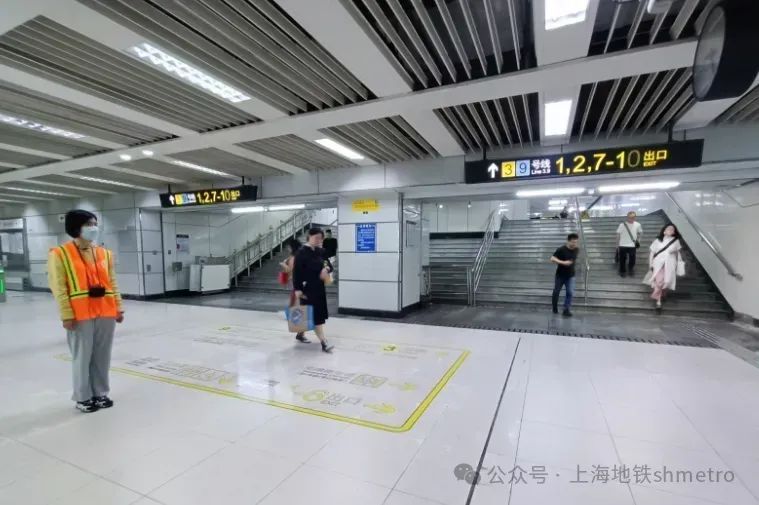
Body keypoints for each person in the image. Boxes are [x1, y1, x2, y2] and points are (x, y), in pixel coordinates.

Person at [47, 210, 124, 413]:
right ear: (76, 227)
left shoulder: (105, 254)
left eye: (95, 223)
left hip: (105, 311)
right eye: (88, 224)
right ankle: (83, 397)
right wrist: (66, 315)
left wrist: (118, 307)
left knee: (102, 355)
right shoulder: (60, 254)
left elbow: (112, 283)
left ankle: (100, 393)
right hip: (79, 314)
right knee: (82, 357)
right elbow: (59, 287)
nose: (93, 228)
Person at [293, 227, 334, 352]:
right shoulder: (301, 252)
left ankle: (300, 334)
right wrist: (297, 289)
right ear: (309, 236)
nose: (319, 240)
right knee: (315, 316)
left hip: (319, 287)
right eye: (316, 238)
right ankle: (324, 342)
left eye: (321, 238)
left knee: (308, 313)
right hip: (307, 288)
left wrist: (325, 269)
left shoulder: (320, 251)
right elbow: (296, 272)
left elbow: (328, 264)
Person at [645, 223, 682, 313]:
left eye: (672, 229)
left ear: (674, 232)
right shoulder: (658, 240)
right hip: (658, 264)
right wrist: (650, 264)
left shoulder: (676, 241)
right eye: (668, 228)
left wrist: (677, 264)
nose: (670, 230)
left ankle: (663, 293)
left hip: (670, 264)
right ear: (664, 231)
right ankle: (658, 302)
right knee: (659, 282)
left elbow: (677, 254)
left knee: (667, 281)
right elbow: (652, 252)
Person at [280, 238, 309, 343]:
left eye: (288, 246)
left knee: (299, 307)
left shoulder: (296, 257)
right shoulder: (296, 256)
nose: (288, 249)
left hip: (298, 284)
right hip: (298, 285)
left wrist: (284, 265)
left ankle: (300, 333)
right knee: (301, 308)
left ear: (292, 247)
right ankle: (300, 333)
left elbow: (291, 270)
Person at [550, 233, 580, 317]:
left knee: (570, 292)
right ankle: (554, 308)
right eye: (573, 242)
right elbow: (552, 258)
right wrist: (563, 262)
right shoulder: (561, 249)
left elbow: (571, 261)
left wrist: (566, 262)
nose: (575, 244)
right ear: (568, 241)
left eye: (576, 242)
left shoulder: (576, 249)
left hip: (570, 276)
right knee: (556, 292)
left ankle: (566, 310)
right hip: (560, 275)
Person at [617, 211, 643, 278]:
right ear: (627, 217)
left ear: (635, 217)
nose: (631, 219)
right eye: (630, 217)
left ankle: (631, 269)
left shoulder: (638, 224)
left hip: (632, 245)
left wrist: (639, 241)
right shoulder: (622, 225)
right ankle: (622, 271)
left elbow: (641, 233)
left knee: (632, 259)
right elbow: (618, 235)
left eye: (633, 217)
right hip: (622, 244)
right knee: (622, 259)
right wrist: (617, 245)